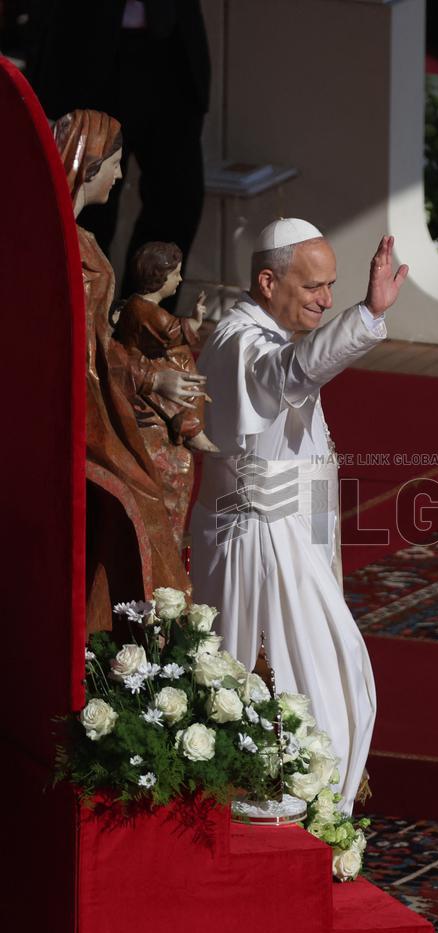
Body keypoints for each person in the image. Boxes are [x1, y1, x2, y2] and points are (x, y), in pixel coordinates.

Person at [190, 218, 408, 812]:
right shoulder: (241, 343)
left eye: (333, 286)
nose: (325, 300)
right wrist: (364, 317)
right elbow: (290, 374)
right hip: (257, 537)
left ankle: (312, 812)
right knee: (305, 678)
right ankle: (292, 813)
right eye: (314, 287)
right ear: (267, 281)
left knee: (328, 675)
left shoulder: (268, 332)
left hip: (292, 529)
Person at [53, 109, 206, 629]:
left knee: (150, 485)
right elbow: (75, 351)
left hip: (103, 394)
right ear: (87, 164)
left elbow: (98, 344)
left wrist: (150, 377)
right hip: (75, 408)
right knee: (141, 494)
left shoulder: (86, 244)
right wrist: (146, 379)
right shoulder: (59, 249)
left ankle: (120, 633)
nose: (120, 176)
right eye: (114, 164)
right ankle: (145, 633)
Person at [29, 1, 210, 295]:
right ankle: (87, 326)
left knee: (178, 200)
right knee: (88, 204)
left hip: (172, 48)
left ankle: (140, 324)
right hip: (85, 49)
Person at [115, 241, 219, 455]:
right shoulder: (148, 311)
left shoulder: (137, 304)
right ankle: (190, 427)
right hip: (142, 366)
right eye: (176, 274)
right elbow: (174, 333)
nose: (180, 280)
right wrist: (196, 320)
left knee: (187, 367)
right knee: (188, 374)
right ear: (159, 277)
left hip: (147, 358)